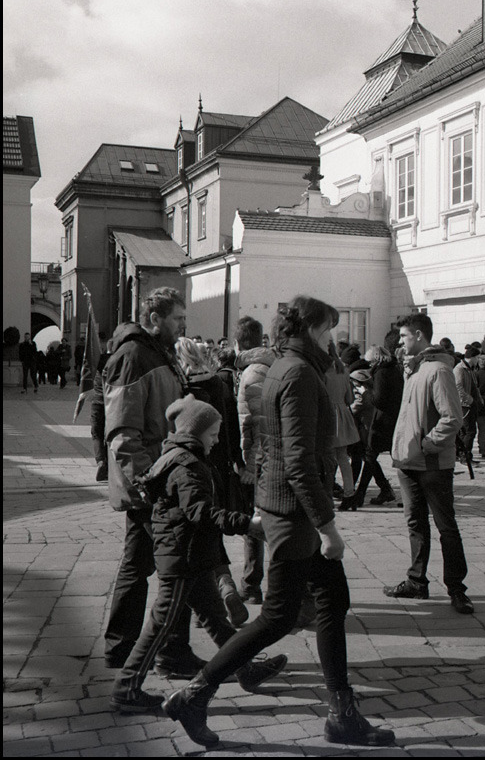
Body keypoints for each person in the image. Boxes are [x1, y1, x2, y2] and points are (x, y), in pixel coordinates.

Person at [162, 296, 395, 749]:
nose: (334, 337)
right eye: (329, 329)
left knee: (330, 601)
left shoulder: (287, 367)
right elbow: (298, 462)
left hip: (287, 509)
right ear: (310, 329)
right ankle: (196, 693)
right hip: (295, 515)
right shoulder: (298, 373)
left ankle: (341, 712)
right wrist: (327, 528)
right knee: (277, 616)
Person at [110, 395, 287, 714]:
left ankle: (244, 668)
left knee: (216, 619)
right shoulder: (186, 465)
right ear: (194, 432)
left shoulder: (183, 457)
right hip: (181, 556)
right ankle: (127, 687)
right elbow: (200, 512)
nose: (217, 438)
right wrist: (248, 524)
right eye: (213, 432)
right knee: (161, 623)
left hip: (190, 553)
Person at [102, 287, 204, 678]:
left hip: (160, 476)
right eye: (177, 319)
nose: (183, 327)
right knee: (176, 566)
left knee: (139, 562)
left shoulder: (157, 352)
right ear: (154, 318)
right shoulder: (133, 355)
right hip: (151, 481)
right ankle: (170, 653)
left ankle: (121, 647)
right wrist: (147, 482)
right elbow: (123, 430)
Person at [385, 313, 472, 615]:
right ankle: (416, 581)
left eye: (404, 336)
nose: (400, 341)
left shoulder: (438, 371)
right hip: (408, 461)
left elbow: (453, 417)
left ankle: (457, 589)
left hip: (432, 463)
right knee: (415, 523)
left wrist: (428, 443)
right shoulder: (413, 370)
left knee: (446, 526)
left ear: (420, 335)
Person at [174, 336, 249, 628]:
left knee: (190, 540)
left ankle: (211, 600)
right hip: (216, 468)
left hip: (186, 468)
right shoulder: (217, 383)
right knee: (210, 532)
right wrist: (234, 463)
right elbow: (230, 427)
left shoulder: (180, 388)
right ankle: (226, 588)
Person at [233, 316, 276, 603]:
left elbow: (256, 424)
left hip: (260, 461)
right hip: (263, 458)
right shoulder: (261, 368)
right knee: (259, 523)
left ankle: (253, 585)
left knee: (258, 524)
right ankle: (254, 584)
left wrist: (249, 466)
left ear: (238, 343)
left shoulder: (253, 374)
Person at [352, 345, 403, 507]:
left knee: (369, 456)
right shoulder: (394, 370)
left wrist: (364, 392)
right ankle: (373, 492)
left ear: (375, 360)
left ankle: (366, 494)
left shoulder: (381, 373)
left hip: (382, 421)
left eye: (369, 362)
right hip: (392, 419)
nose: (368, 366)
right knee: (371, 457)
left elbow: (379, 400)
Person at [323, 342, 360, 511]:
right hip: (342, 413)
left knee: (328, 460)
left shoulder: (322, 371)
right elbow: (350, 398)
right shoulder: (343, 370)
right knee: (343, 458)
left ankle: (328, 494)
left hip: (327, 415)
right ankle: (349, 494)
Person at [91, 336, 116, 483]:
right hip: (112, 402)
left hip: (97, 400)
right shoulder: (117, 363)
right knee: (110, 434)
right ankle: (109, 466)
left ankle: (101, 462)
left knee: (96, 433)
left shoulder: (97, 361)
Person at [454, 346, 481, 467]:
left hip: (470, 404)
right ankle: (465, 456)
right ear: (474, 357)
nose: (478, 360)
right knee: (469, 431)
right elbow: (458, 388)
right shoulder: (460, 369)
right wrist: (469, 400)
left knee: (466, 432)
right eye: (477, 358)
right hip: (465, 405)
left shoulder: (469, 369)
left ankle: (464, 455)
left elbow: (474, 386)